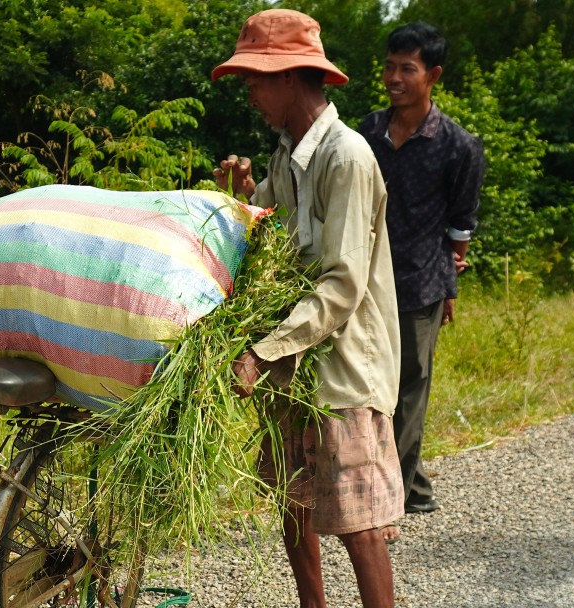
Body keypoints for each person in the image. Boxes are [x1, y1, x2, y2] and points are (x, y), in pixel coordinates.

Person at [212, 9, 403, 608]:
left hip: (343, 367)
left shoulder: (346, 157)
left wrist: (262, 353)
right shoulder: (286, 155)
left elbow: (342, 284)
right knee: (293, 504)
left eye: (255, 80)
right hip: (293, 361)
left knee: (359, 524)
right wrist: (243, 197)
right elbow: (271, 225)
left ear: (290, 77)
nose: (249, 94)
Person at [357, 23, 485, 516]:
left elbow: (462, 222)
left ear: (433, 75)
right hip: (364, 281)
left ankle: (388, 497)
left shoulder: (458, 145)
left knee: (407, 393)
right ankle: (415, 488)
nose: (394, 78)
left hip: (420, 283)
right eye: (389, 67)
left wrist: (449, 285)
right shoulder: (367, 132)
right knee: (370, 387)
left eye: (406, 69)